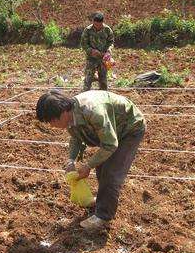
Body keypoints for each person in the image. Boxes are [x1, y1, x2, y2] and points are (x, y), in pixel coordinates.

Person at [36, 90, 146, 230]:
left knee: (111, 173)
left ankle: (103, 217)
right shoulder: (71, 116)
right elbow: (76, 137)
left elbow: (110, 144)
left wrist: (88, 166)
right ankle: (102, 203)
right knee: (101, 167)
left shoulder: (93, 112)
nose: (51, 125)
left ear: (63, 112)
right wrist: (71, 159)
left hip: (130, 128)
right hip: (112, 129)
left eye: (52, 121)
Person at [80, 12, 114, 91]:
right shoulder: (88, 30)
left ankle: (104, 97)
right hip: (91, 58)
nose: (97, 26)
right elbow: (83, 43)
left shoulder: (107, 30)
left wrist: (108, 51)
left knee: (103, 80)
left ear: (102, 22)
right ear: (93, 22)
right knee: (88, 80)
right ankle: (85, 96)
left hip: (103, 59)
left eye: (99, 25)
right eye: (95, 25)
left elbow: (111, 42)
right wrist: (91, 51)